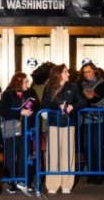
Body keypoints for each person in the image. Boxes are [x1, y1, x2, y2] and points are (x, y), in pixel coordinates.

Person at [41, 64, 86, 194]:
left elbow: (82, 101)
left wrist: (73, 106)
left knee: (68, 154)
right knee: (53, 154)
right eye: (66, 72)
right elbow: (44, 103)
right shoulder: (49, 87)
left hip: (69, 123)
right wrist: (58, 106)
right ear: (58, 74)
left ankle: (67, 184)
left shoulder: (73, 87)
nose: (68, 74)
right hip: (53, 123)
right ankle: (52, 185)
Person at [0, 72, 40, 194]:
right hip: (11, 127)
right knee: (10, 155)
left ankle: (23, 180)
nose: (28, 83)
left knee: (24, 154)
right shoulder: (8, 94)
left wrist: (31, 109)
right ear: (19, 81)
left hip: (26, 128)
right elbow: (3, 110)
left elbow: (37, 104)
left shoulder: (31, 93)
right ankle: (11, 181)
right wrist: (19, 113)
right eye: (25, 81)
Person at [78, 63, 104, 185]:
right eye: (84, 72)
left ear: (94, 71)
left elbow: (96, 98)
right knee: (87, 145)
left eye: (89, 71)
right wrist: (87, 96)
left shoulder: (103, 83)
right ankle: (91, 172)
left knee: (97, 145)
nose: (86, 74)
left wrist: (87, 96)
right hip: (86, 119)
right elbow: (80, 99)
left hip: (101, 118)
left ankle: (98, 174)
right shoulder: (80, 84)